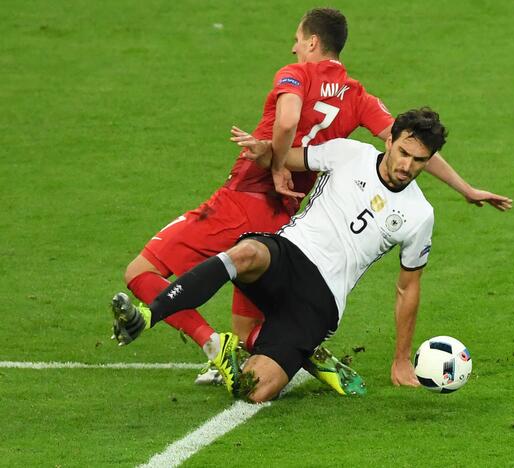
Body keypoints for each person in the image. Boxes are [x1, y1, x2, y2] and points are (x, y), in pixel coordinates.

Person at [119, 7, 511, 392]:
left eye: (297, 41)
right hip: (288, 217)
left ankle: (199, 337)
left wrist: (271, 159)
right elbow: (406, 141)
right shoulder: (359, 100)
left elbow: (290, 123)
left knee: (140, 271)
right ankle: (286, 349)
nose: (293, 49)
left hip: (247, 197)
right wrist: (466, 188)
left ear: (312, 41)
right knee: (246, 321)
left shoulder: (296, 76)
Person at [112, 108, 447, 402]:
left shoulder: (420, 215)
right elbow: (287, 157)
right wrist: (265, 151)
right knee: (246, 253)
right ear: (390, 141)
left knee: (252, 390)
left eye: (419, 160)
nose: (406, 166)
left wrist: (401, 359)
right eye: (403, 152)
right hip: (288, 254)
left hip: (321, 302)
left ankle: (303, 352)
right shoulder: (350, 154)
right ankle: (149, 316)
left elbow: (408, 288)